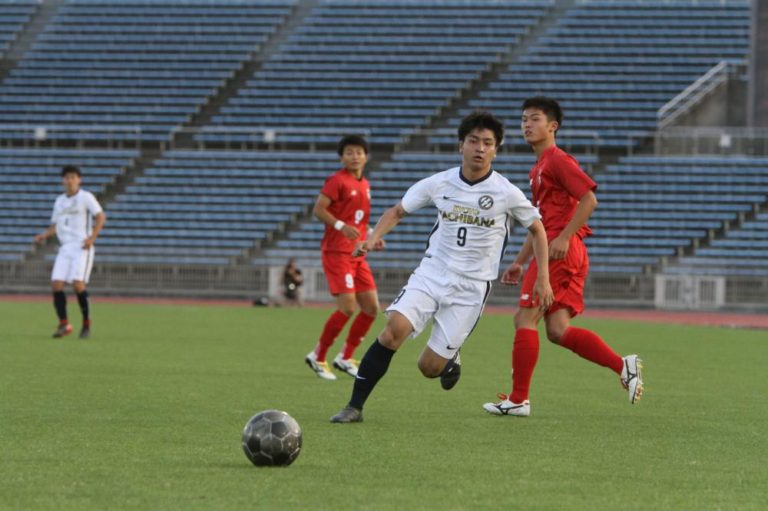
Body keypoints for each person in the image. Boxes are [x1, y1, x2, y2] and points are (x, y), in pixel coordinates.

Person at [330, 111, 554, 423]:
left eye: (487, 143)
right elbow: (397, 210)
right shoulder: (440, 182)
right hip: (432, 273)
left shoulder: (506, 192)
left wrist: (542, 276)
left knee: (429, 368)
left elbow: (538, 229)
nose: (479, 148)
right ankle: (354, 406)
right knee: (393, 331)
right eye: (473, 141)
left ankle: (450, 358)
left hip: (472, 287)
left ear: (496, 149)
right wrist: (372, 238)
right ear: (461, 145)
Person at [482, 96, 644, 418]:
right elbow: (538, 223)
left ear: (552, 126)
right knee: (556, 329)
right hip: (558, 249)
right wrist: (518, 261)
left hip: (560, 252)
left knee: (525, 318)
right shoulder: (538, 168)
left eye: (535, 119)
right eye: (524, 119)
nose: (527, 124)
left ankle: (518, 399)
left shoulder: (557, 160)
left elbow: (589, 200)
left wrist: (566, 236)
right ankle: (621, 365)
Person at [304, 135, 385, 380]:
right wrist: (340, 226)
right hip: (337, 252)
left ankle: (345, 357)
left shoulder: (365, 184)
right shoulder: (337, 180)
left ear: (366, 156)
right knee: (348, 307)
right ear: (342, 157)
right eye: (349, 152)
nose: (354, 156)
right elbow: (319, 208)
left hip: (357, 254)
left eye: (358, 152)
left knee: (371, 308)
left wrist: (371, 235)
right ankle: (317, 356)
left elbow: (358, 219)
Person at [33, 165, 106, 339]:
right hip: (65, 247)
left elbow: (101, 216)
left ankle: (86, 324)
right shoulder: (59, 201)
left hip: (82, 246)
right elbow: (55, 226)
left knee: (77, 283)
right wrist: (44, 235)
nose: (70, 180)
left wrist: (91, 238)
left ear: (79, 179)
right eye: (67, 177)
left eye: (73, 177)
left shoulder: (85, 197)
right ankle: (64, 324)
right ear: (63, 180)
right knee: (56, 284)